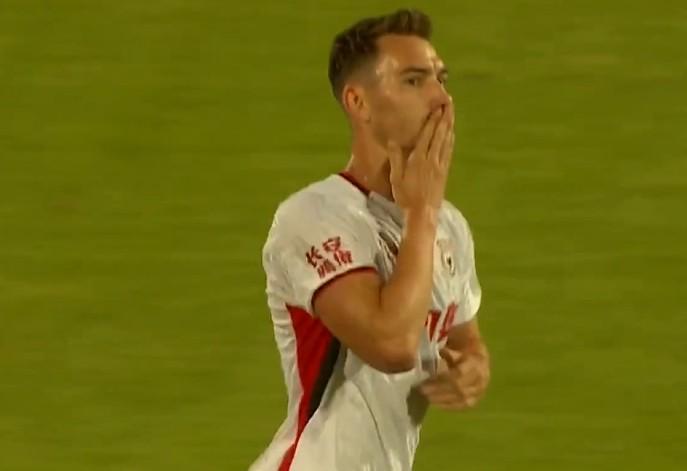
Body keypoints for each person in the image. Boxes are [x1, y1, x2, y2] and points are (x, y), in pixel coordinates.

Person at [249, 8, 490, 471]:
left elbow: (465, 340)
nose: (442, 98)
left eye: (442, 79)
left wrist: (472, 370)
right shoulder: (315, 216)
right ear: (358, 102)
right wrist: (421, 213)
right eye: (414, 81)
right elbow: (392, 345)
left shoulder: (450, 227)